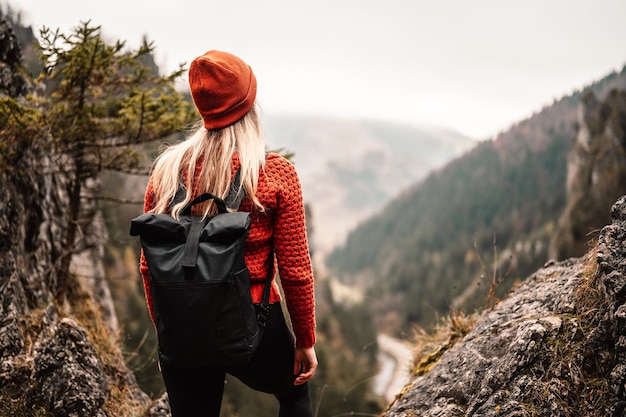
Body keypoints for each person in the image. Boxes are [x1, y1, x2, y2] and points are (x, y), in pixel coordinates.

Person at [139, 50, 317, 417]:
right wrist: (305, 340)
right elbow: (295, 271)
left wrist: (168, 334)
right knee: (295, 395)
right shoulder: (273, 173)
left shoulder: (167, 172)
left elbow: (148, 267)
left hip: (183, 320)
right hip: (253, 319)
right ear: (249, 104)